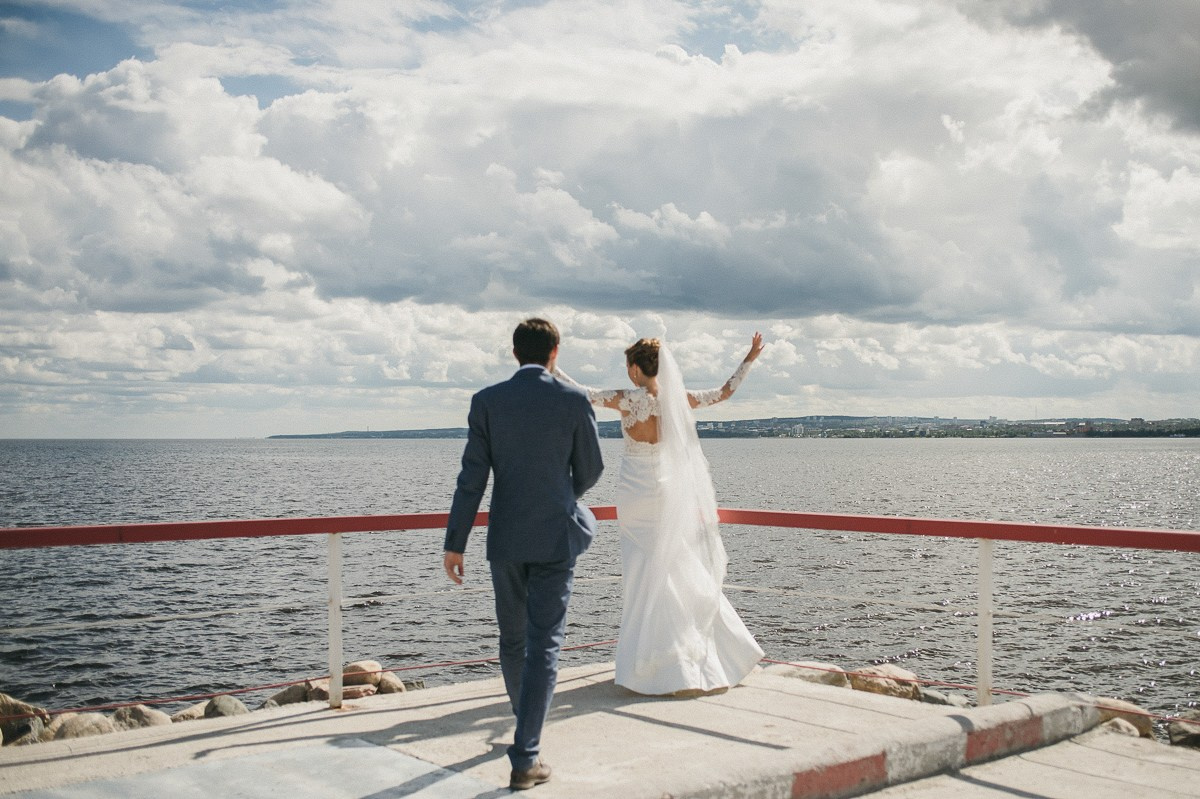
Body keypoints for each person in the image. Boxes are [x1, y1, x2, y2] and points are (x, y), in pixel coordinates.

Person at [554, 333, 765, 696]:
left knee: (642, 570)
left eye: (629, 366)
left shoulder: (626, 399)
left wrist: (552, 366)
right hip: (665, 492)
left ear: (636, 368)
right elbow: (724, 392)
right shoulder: (678, 400)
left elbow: (581, 392)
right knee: (675, 563)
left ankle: (651, 662)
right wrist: (749, 358)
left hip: (634, 494)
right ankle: (699, 654)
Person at [444, 318, 605, 791]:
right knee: (545, 643)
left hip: (507, 538)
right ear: (556, 352)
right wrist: (562, 496)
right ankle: (526, 752)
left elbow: (472, 478)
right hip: (555, 536)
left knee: (513, 639)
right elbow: (592, 469)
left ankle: (524, 721)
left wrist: (455, 542)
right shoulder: (574, 400)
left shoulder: (487, 401)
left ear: (515, 353)